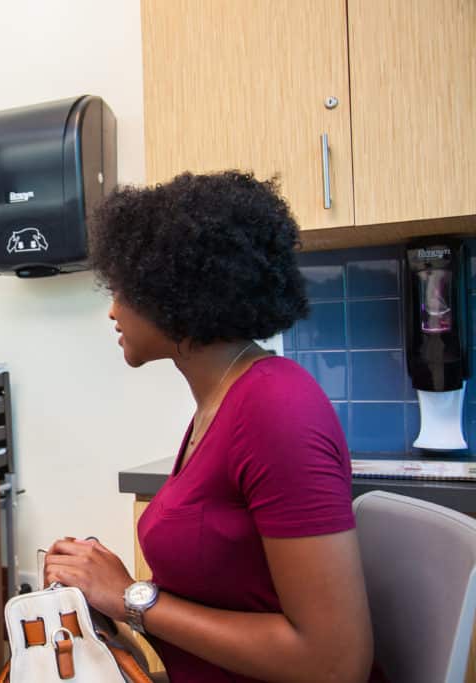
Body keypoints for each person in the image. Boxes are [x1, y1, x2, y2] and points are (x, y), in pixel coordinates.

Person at [44, 172, 381, 682]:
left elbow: (334, 663)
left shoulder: (274, 407)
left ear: (174, 291)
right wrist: (103, 587)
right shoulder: (221, 402)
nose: (112, 310)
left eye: (121, 289)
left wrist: (130, 595)